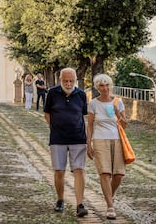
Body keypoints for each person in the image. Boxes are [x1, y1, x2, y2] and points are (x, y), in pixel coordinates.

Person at [44, 67, 89, 218]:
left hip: (78, 138)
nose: (68, 83)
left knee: (79, 170)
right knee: (59, 171)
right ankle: (60, 199)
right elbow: (47, 114)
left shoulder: (81, 95)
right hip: (58, 138)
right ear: (60, 80)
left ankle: (80, 204)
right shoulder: (52, 93)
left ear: (76, 80)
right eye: (65, 81)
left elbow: (83, 115)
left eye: (71, 81)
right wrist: (55, 129)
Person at [87, 73, 127, 220]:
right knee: (105, 173)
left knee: (118, 174)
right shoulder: (93, 104)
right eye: (101, 85)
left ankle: (109, 195)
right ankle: (110, 206)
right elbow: (90, 125)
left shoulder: (118, 102)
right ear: (98, 87)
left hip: (117, 139)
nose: (105, 88)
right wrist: (88, 144)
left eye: (107, 85)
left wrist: (118, 114)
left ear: (111, 86)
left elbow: (124, 125)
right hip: (99, 139)